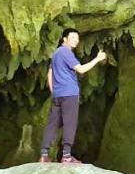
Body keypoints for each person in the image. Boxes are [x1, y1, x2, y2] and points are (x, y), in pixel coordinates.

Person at [40, 28, 106, 164]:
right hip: (69, 93)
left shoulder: (56, 53)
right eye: (73, 37)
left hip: (58, 95)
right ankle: (66, 156)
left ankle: (44, 155)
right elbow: (81, 69)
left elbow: (50, 74)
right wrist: (97, 59)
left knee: (52, 124)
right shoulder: (66, 52)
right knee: (70, 123)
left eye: (77, 38)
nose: (76, 40)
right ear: (65, 39)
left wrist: (54, 92)